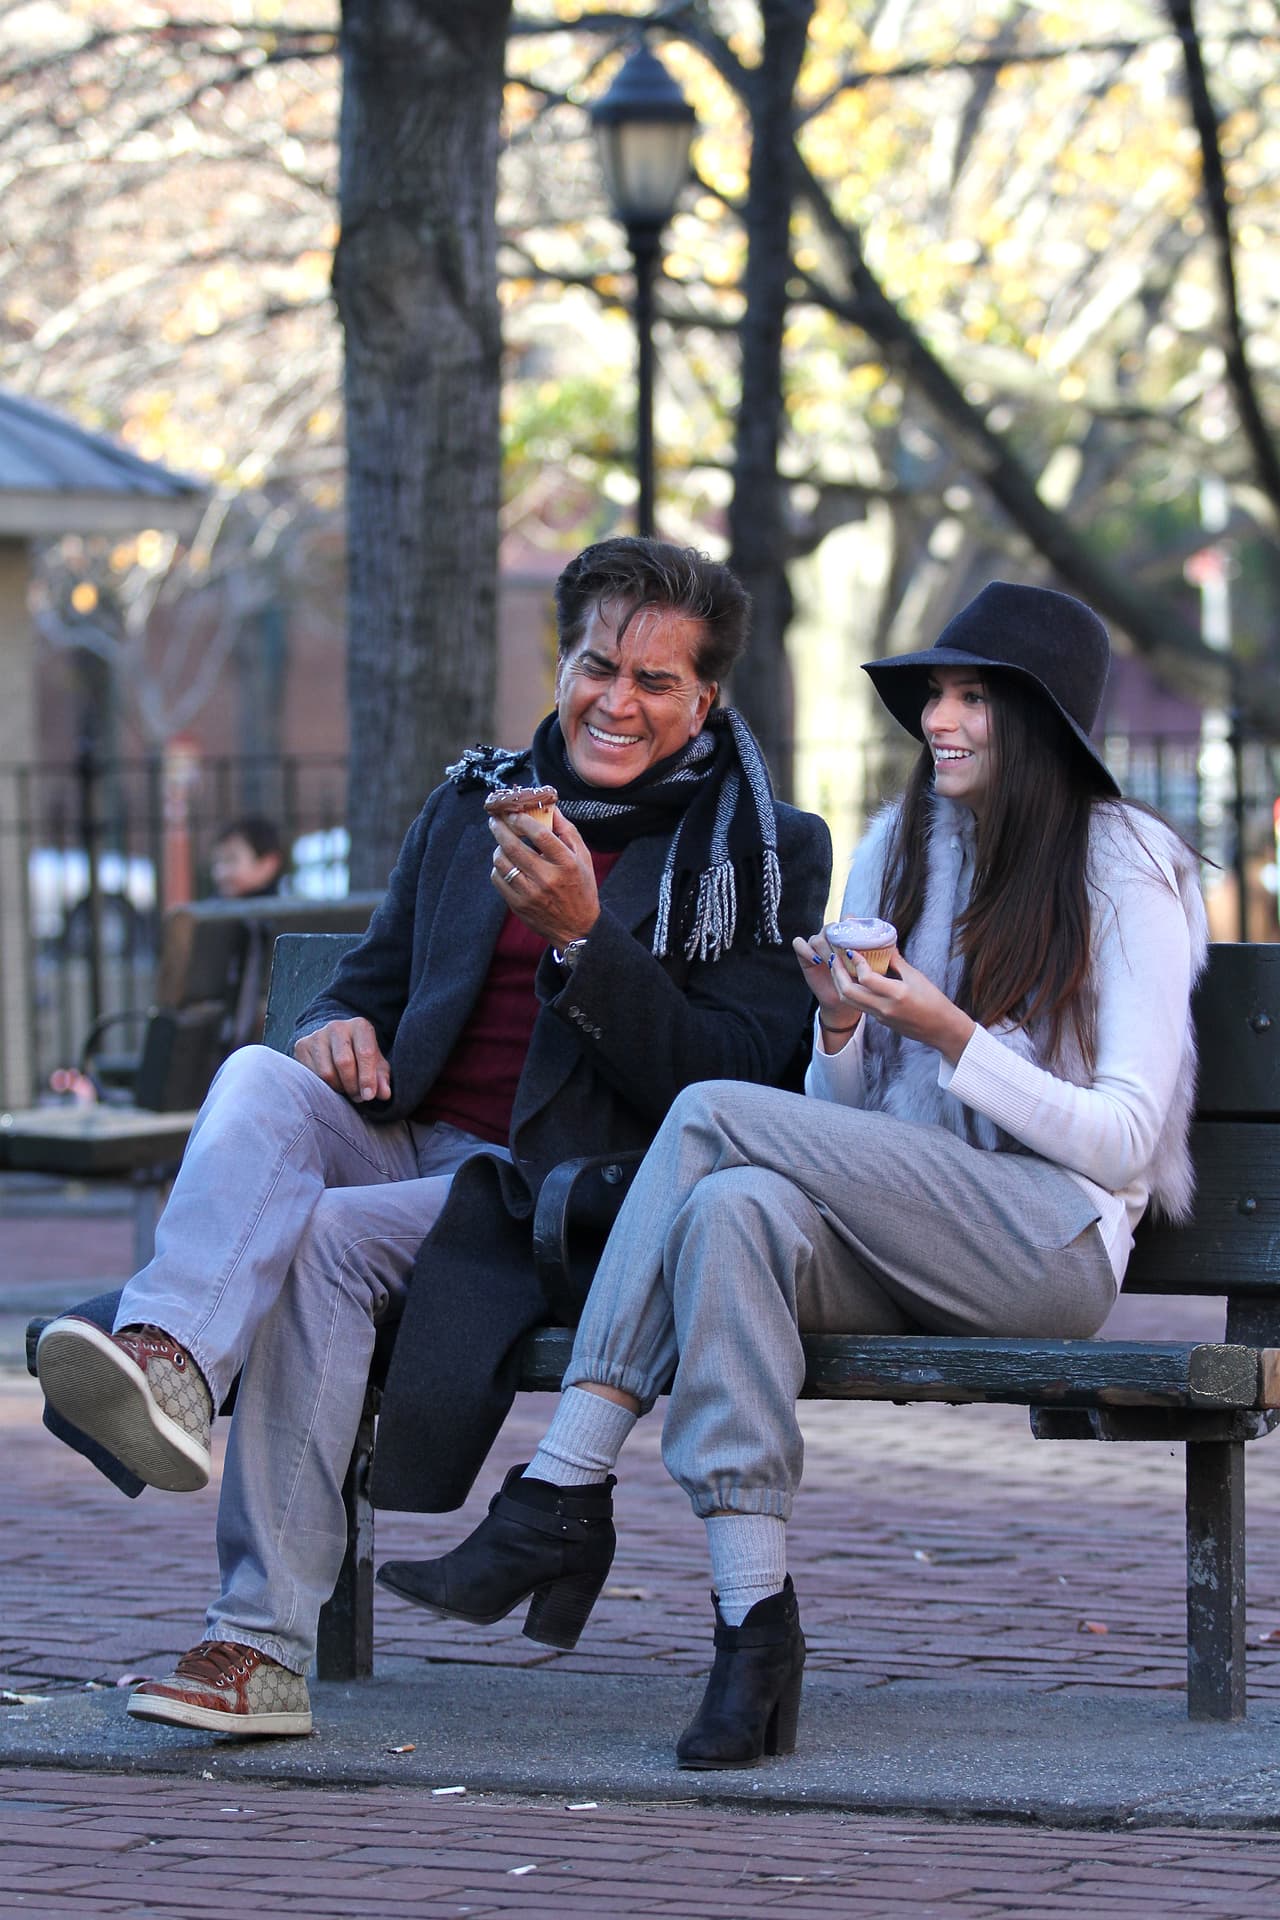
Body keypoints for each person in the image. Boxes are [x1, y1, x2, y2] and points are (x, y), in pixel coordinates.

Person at [378, 580, 1208, 1770]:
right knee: (732, 1209)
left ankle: (560, 1486)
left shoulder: (1124, 862)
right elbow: (839, 1123)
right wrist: (839, 1033)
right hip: (902, 1229)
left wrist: (941, 1030)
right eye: (933, 695)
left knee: (716, 1114)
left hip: (1044, 1244)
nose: (939, 720)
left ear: (1041, 726)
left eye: (973, 699)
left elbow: (1126, 1140)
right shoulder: (895, 844)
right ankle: (751, 1630)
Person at [34, 535, 831, 1740]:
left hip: (558, 1194)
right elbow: (364, 981)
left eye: (656, 682)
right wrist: (337, 1027)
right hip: (404, 1134)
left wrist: (583, 939)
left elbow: (722, 1086)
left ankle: (255, 1649)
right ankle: (171, 1366)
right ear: (563, 661)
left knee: (327, 1240)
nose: (617, 699)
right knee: (255, 1073)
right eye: (598, 663)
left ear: (704, 699)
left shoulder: (758, 853)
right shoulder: (477, 805)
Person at [210, 816, 286, 899]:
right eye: (216, 862)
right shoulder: (211, 906)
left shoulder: (288, 901)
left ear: (268, 864)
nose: (221, 872)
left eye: (231, 860)